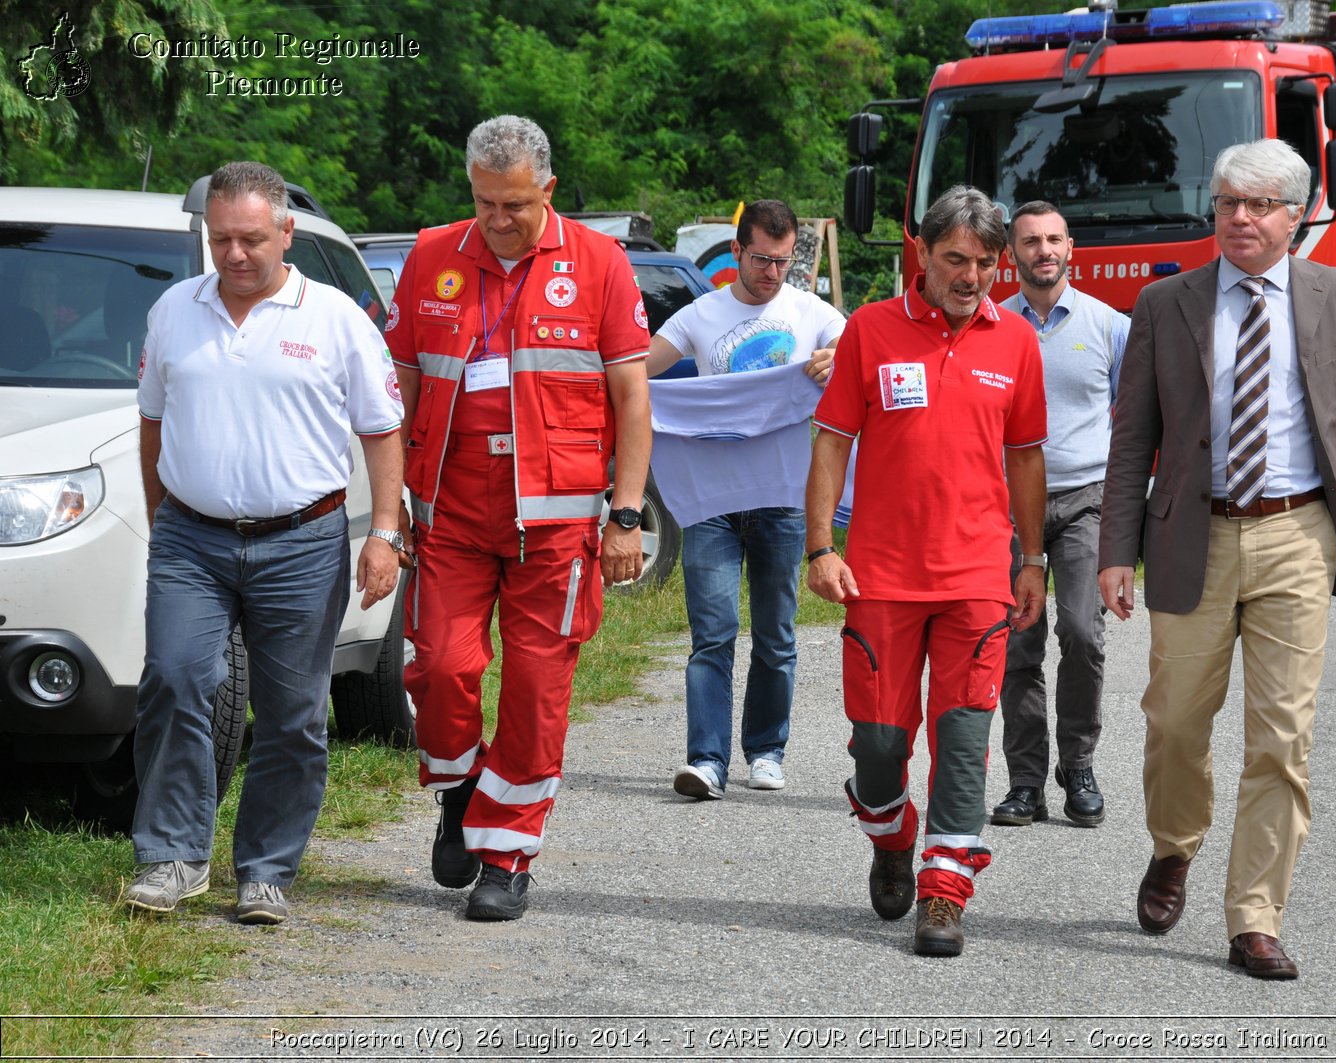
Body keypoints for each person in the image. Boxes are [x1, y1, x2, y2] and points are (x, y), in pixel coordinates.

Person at [1097, 139, 1336, 979]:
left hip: (1298, 536)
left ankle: (1254, 916)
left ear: (1297, 215)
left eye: (1260, 204)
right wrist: (1113, 551)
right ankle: (1174, 846)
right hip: (1187, 534)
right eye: (1229, 201)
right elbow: (1133, 438)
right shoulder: (1165, 303)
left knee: (1282, 736)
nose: (1240, 216)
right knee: (1173, 721)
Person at [125, 161, 405, 925]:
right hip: (192, 540)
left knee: (293, 713)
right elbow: (152, 424)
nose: (236, 254)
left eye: (252, 238)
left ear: (286, 232)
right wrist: (164, 524)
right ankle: (174, 855)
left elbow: (381, 431)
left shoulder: (337, 317)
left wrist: (383, 533)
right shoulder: (174, 311)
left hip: (304, 542)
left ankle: (267, 868)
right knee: (177, 680)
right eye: (221, 239)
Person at [388, 115, 652, 921]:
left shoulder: (600, 263)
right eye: (484, 203)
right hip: (453, 515)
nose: (497, 221)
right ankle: (461, 788)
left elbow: (632, 396)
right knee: (440, 667)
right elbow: (394, 392)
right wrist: (392, 507)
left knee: (537, 690)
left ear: (548, 189)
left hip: (558, 525)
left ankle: (507, 853)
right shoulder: (433, 255)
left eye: (514, 205)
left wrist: (627, 513)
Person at [805, 185, 1047, 958]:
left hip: (978, 577)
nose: (970, 275)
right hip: (877, 577)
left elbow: (1027, 458)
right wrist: (820, 546)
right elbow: (833, 440)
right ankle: (889, 833)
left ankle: (944, 890)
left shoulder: (1016, 342)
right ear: (922, 253)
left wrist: (1032, 559)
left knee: (964, 736)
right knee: (879, 746)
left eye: (983, 262)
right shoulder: (870, 331)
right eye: (954, 259)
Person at [644, 199, 845, 800]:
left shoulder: (812, 312)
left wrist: (839, 358)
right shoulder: (699, 316)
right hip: (711, 503)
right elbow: (637, 375)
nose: (772, 272)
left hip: (785, 497)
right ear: (736, 252)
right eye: (761, 259)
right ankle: (706, 760)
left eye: (783, 261)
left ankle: (765, 750)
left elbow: (870, 356)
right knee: (713, 632)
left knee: (777, 633)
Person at [990, 202, 1128, 830]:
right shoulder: (989, 326)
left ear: (1071, 247)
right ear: (1010, 255)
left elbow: (1136, 420)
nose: (1043, 251)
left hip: (1085, 501)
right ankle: (1024, 781)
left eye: (1053, 240)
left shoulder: (1108, 326)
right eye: (1029, 242)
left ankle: (1078, 766)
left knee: (1080, 632)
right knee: (1017, 642)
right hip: (1005, 505)